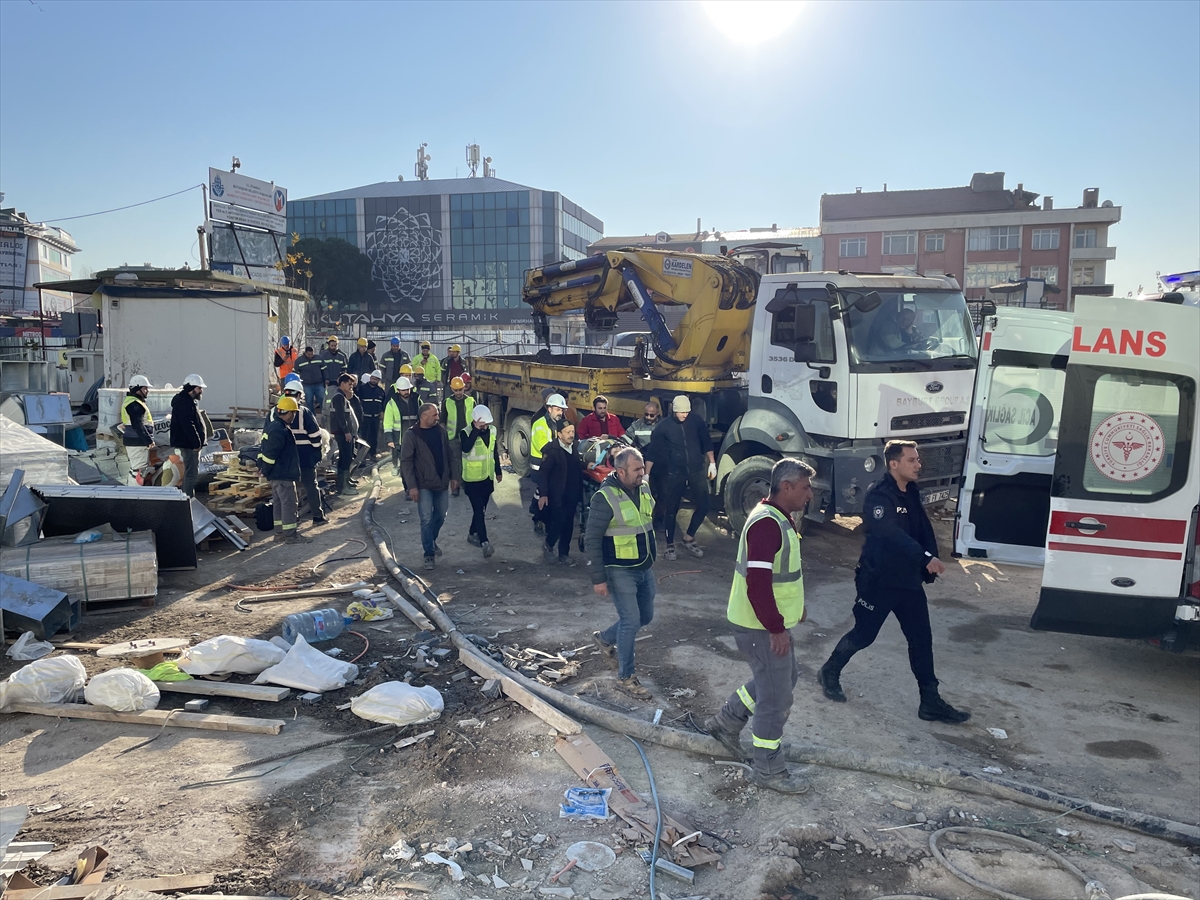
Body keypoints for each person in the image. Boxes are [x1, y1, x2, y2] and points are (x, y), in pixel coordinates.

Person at [817, 440, 970, 724]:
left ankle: (930, 701)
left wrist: (929, 560)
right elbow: (889, 533)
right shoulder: (879, 496)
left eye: (917, 460)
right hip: (879, 580)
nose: (918, 464)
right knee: (864, 635)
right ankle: (830, 670)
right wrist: (925, 557)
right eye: (911, 460)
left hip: (908, 582)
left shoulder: (912, 492)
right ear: (894, 464)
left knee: (921, 640)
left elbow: (922, 530)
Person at [704, 459, 815, 794]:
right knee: (775, 697)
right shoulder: (767, 524)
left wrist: (795, 609)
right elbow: (758, 583)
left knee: (783, 679)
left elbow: (781, 577)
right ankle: (768, 769)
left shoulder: (779, 519)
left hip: (763, 623)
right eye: (806, 487)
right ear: (787, 487)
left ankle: (726, 722)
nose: (810, 494)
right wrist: (776, 628)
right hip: (759, 627)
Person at [586, 446, 657, 700]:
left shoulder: (644, 488)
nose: (642, 473)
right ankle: (627, 677)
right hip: (619, 570)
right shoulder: (604, 498)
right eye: (637, 469)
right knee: (630, 621)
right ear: (620, 471)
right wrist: (599, 578)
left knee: (645, 617)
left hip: (643, 567)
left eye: (642, 468)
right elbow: (592, 539)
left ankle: (605, 639)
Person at [644, 395, 714, 560]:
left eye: (687, 412)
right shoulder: (663, 427)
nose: (684, 415)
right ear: (674, 411)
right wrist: (646, 475)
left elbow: (706, 442)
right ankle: (669, 545)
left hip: (696, 470)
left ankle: (689, 537)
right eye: (681, 412)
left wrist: (712, 463)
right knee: (671, 509)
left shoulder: (696, 421)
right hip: (675, 473)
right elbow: (653, 452)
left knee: (704, 504)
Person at [400, 402, 460, 570]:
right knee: (426, 519)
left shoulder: (441, 431)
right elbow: (406, 462)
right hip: (422, 484)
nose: (438, 417)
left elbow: (449, 454)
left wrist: (454, 476)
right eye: (434, 415)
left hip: (441, 482)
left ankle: (431, 540)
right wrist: (411, 486)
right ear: (424, 417)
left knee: (441, 515)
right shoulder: (412, 435)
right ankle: (428, 553)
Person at [256, 396, 311, 544]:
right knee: (289, 505)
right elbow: (271, 454)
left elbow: (263, 450)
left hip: (276, 475)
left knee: (279, 505)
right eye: (293, 413)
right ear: (289, 413)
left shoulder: (272, 426)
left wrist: (262, 467)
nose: (294, 416)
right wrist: (264, 469)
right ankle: (291, 536)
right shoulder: (280, 429)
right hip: (283, 475)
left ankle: (279, 534)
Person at [274, 381, 328, 525]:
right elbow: (316, 436)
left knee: (288, 491)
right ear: (299, 395)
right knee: (311, 486)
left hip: (285, 458)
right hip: (304, 456)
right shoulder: (304, 412)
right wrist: (317, 452)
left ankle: (291, 519)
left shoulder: (276, 411)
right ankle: (317, 516)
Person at [537, 419, 584, 566]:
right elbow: (543, 474)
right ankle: (549, 544)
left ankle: (564, 553)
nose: (571, 435)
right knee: (558, 522)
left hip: (572, 494)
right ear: (559, 434)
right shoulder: (552, 450)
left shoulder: (575, 447)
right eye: (568, 432)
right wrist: (543, 494)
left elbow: (576, 464)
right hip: (558, 495)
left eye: (572, 432)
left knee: (569, 525)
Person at [461, 405, 501, 559]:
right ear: (475, 421)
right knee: (479, 510)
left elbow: (494, 451)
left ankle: (472, 534)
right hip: (472, 480)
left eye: (486, 424)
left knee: (481, 509)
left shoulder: (492, 431)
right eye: (483, 424)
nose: (485, 427)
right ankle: (484, 542)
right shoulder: (466, 432)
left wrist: (498, 471)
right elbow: (465, 448)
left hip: (487, 478)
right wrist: (476, 430)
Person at [528, 393, 567, 533]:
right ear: (549, 409)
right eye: (558, 409)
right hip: (540, 466)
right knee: (543, 493)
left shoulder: (559, 423)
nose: (560, 413)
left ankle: (538, 513)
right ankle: (538, 518)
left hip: (552, 465)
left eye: (562, 410)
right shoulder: (540, 424)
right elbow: (545, 447)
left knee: (543, 493)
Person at [170, 373, 207, 497]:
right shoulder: (183, 403)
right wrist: (196, 443)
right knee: (191, 474)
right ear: (191, 388)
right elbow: (188, 424)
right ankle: (188, 499)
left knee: (190, 473)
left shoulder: (187, 401)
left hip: (190, 444)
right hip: (189, 445)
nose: (201, 391)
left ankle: (186, 497)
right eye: (199, 388)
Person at [441, 375, 475, 497]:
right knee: (455, 463)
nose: (458, 392)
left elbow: (475, 418)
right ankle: (456, 486)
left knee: (467, 461)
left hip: (467, 436)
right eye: (456, 390)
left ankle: (466, 483)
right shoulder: (447, 402)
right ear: (451, 389)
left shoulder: (471, 401)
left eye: (460, 389)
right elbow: (442, 421)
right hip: (453, 437)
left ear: (464, 388)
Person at [329, 373, 363, 495]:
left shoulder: (342, 397)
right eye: (349, 384)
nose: (351, 387)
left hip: (344, 433)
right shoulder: (338, 397)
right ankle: (343, 487)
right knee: (345, 458)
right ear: (342, 383)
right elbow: (340, 416)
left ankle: (345, 481)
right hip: (342, 433)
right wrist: (347, 432)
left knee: (347, 457)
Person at [119, 375, 156, 485]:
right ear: (137, 389)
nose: (147, 391)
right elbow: (138, 424)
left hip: (135, 442)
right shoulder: (134, 404)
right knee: (138, 470)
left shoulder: (132, 402)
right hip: (137, 442)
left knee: (136, 469)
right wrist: (148, 440)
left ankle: (134, 493)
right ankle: (135, 495)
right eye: (145, 388)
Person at [383, 376, 417, 478]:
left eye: (407, 389)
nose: (406, 392)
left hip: (415, 436)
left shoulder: (417, 400)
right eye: (403, 390)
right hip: (399, 437)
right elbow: (388, 423)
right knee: (403, 459)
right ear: (398, 390)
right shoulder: (392, 403)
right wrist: (389, 439)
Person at [357, 370, 386, 457]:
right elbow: (358, 402)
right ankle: (362, 454)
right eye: (373, 378)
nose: (374, 381)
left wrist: (382, 412)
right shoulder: (362, 389)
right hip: (365, 417)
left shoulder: (380, 391)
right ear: (370, 378)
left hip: (375, 417)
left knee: (374, 436)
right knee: (364, 436)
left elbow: (383, 403)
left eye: (376, 379)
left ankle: (373, 453)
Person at [295, 346, 326, 413]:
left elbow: (324, 370)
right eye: (309, 354)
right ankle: (311, 416)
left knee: (322, 400)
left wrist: (326, 379)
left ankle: (325, 415)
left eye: (312, 354)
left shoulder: (319, 358)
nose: (310, 356)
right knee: (309, 401)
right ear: (305, 353)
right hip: (307, 385)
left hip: (319, 383)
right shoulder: (299, 361)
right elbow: (295, 373)